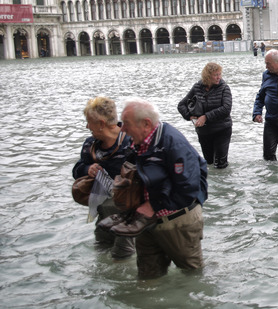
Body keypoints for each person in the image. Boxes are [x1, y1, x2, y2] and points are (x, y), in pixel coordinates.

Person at [114, 99, 208, 279]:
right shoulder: (137, 141)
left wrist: (154, 205)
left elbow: (188, 189)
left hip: (177, 221)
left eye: (126, 124)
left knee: (192, 276)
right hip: (146, 221)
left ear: (146, 124)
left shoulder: (173, 144)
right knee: (147, 278)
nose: (122, 129)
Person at [72, 96, 135, 260]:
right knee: (101, 249)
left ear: (101, 123)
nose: (87, 126)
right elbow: (77, 170)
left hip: (128, 216)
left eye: (89, 122)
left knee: (122, 257)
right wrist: (88, 168)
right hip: (103, 213)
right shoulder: (90, 145)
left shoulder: (131, 141)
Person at [178, 62, 233, 169]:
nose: (219, 77)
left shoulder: (224, 88)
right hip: (204, 132)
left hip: (222, 129)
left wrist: (206, 117)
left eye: (220, 74)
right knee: (209, 163)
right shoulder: (197, 87)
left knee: (220, 164)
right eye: (216, 75)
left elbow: (226, 109)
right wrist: (189, 116)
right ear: (208, 76)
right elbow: (181, 105)